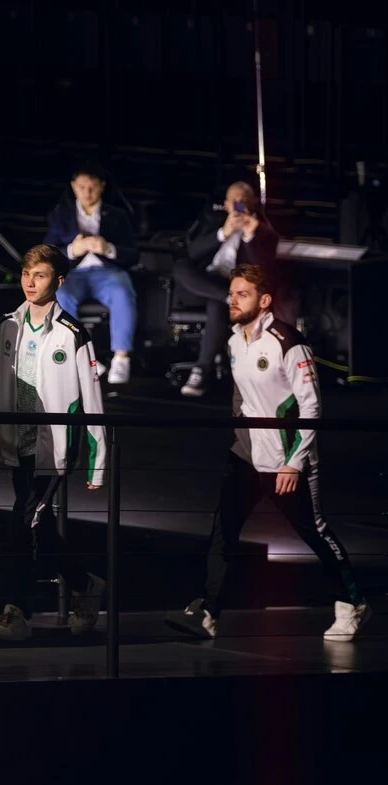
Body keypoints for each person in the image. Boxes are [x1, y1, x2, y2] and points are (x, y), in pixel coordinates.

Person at [165, 264, 370, 641]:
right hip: (245, 456)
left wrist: (294, 463)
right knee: (223, 534)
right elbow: (241, 398)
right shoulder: (233, 341)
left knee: (314, 532)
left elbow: (311, 407)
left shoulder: (288, 343)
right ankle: (208, 612)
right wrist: (240, 439)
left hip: (287, 460)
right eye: (231, 293)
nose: (233, 300)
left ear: (264, 300)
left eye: (242, 294)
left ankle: (351, 603)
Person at [0, 243, 108, 641]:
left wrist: (97, 462)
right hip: (16, 445)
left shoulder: (73, 335)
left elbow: (92, 402)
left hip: (53, 449)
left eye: (40, 275)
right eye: (26, 274)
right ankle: (84, 585)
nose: (30, 282)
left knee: (23, 525)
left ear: (59, 280)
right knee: (39, 526)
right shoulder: (6, 325)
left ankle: (16, 613)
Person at [173, 181, 279, 397]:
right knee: (181, 267)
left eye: (244, 201)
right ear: (226, 204)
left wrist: (250, 237)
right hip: (203, 285)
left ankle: (201, 370)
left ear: (253, 203)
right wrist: (223, 232)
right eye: (235, 201)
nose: (239, 205)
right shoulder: (213, 221)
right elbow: (193, 252)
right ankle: (227, 298)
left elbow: (261, 271)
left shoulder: (263, 230)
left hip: (233, 288)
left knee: (218, 303)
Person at [43, 162, 139, 385]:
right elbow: (47, 252)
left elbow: (133, 254)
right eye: (82, 187)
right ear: (73, 186)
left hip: (108, 272)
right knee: (60, 294)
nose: (87, 192)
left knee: (123, 293)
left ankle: (121, 358)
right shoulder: (61, 214)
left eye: (93, 187)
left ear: (102, 186)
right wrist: (71, 250)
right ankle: (82, 356)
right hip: (73, 273)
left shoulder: (117, 215)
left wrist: (108, 248)